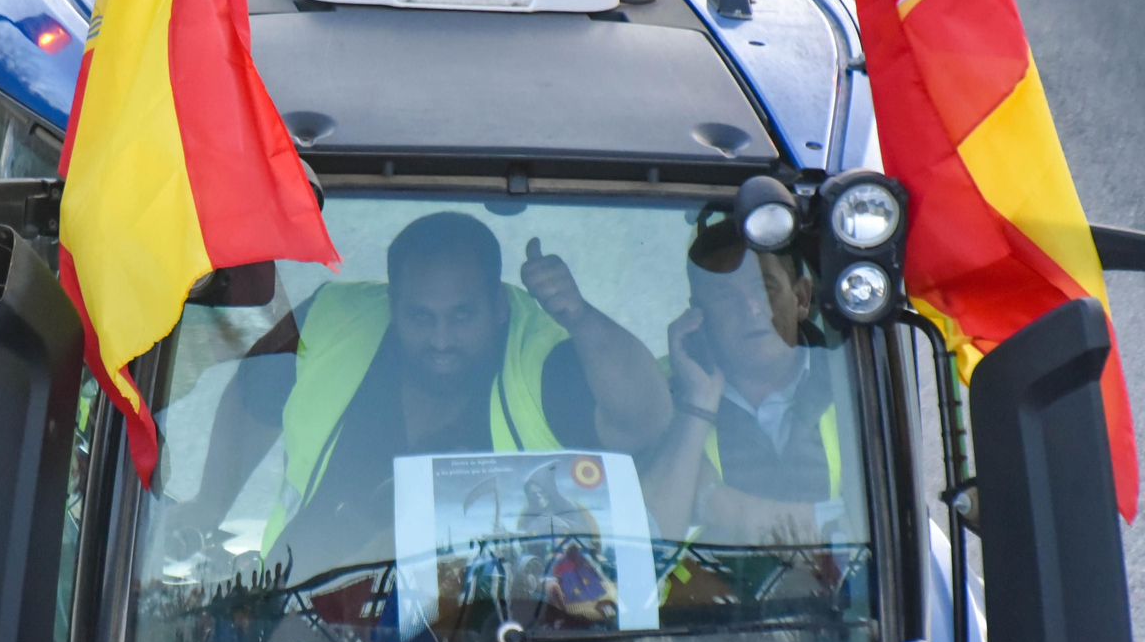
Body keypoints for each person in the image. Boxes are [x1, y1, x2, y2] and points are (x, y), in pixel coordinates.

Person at [190, 211, 673, 583]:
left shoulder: (550, 358)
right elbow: (252, 399)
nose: (441, 339)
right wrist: (208, 507)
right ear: (393, 305)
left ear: (498, 308)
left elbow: (645, 420)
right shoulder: (331, 319)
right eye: (421, 317)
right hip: (308, 610)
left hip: (499, 637)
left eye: (462, 316)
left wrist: (581, 317)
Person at [643, 220, 847, 544]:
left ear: (802, 299)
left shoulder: (854, 383)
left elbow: (886, 524)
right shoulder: (659, 390)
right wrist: (697, 404)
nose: (751, 309)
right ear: (698, 315)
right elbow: (648, 537)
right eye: (724, 296)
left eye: (764, 288)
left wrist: (718, 505)